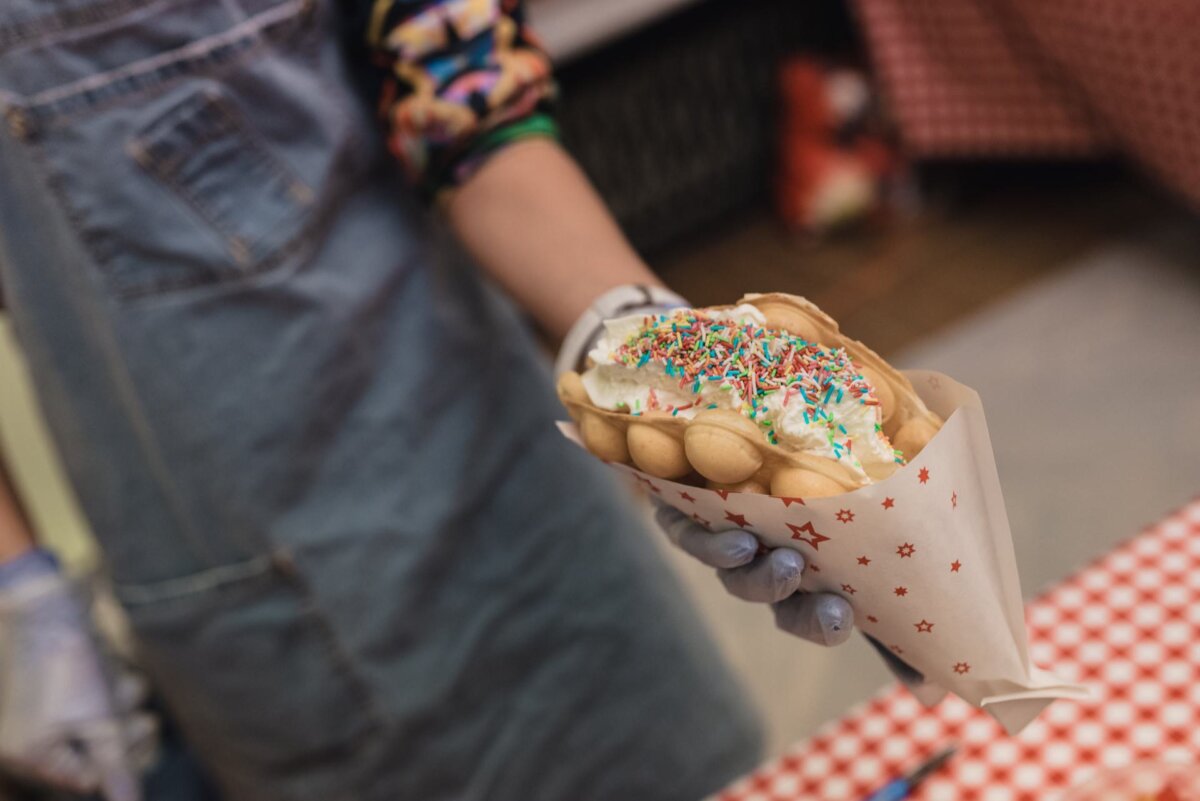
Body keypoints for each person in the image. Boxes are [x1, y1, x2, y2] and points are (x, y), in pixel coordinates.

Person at [0, 1, 856, 799]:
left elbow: (466, 94)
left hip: (507, 489)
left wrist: (646, 345)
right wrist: (23, 603)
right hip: (238, 593)